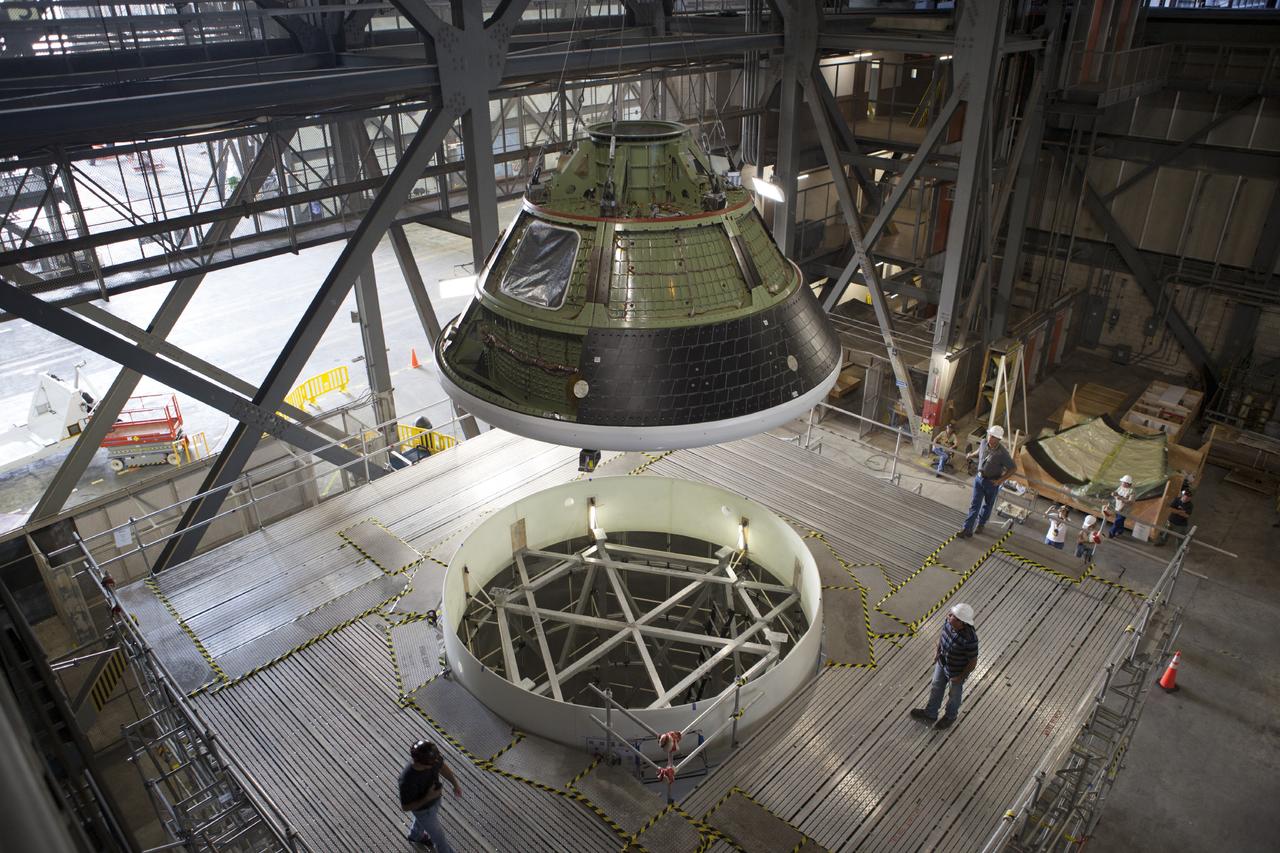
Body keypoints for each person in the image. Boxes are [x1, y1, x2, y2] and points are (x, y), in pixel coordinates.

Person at [909, 603, 979, 730]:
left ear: (961, 622)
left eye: (952, 616)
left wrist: (960, 677)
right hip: (942, 663)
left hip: (956, 672)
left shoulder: (970, 639)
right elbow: (942, 635)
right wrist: (937, 652)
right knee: (936, 686)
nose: (948, 615)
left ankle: (950, 717)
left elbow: (972, 662)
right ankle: (930, 713)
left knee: (954, 695)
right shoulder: (948, 622)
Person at [400, 739, 462, 851]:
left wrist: (455, 783)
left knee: (423, 821)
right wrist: (428, 797)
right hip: (423, 810)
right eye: (433, 762)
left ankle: (415, 835)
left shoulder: (431, 760)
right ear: (419, 762)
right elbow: (406, 807)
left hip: (435, 800)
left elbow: (442, 767)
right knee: (439, 838)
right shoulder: (408, 780)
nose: (436, 762)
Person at [959, 425, 1016, 538]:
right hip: (979, 479)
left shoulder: (1002, 453)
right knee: (974, 505)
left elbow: (1013, 468)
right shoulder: (983, 442)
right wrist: (971, 455)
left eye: (993, 437)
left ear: (999, 439)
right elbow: (979, 451)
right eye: (990, 435)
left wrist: (1000, 481)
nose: (990, 438)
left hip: (992, 483)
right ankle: (967, 529)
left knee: (987, 505)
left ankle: (981, 524)